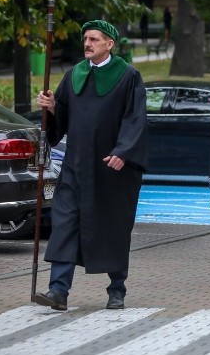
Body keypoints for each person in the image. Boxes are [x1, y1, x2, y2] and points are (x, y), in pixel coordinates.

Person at [33, 20, 148, 311]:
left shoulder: (128, 76)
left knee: (112, 228)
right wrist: (50, 107)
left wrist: (124, 151)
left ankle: (116, 289)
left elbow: (135, 119)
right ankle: (58, 290)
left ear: (109, 44)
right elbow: (60, 120)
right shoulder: (74, 75)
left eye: (94, 39)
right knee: (65, 224)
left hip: (112, 169)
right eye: (85, 38)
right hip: (75, 166)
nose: (87, 43)